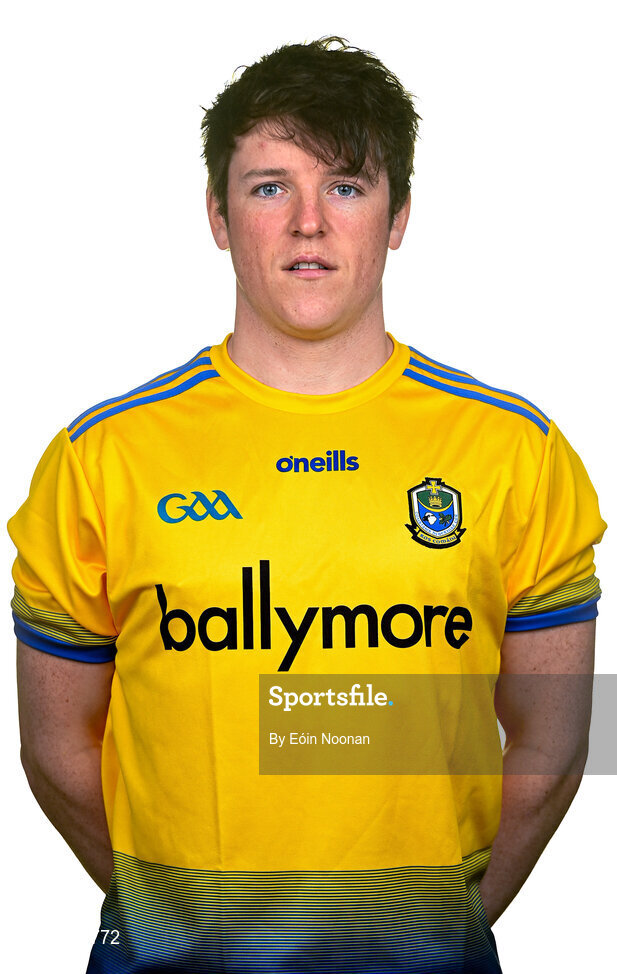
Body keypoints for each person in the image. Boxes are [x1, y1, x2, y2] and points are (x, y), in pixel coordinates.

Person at [9, 37, 606, 974]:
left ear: (398, 214)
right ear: (216, 214)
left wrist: (436, 925)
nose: (307, 226)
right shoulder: (101, 459)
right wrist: (172, 919)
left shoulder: (516, 454)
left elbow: (554, 743)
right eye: (268, 186)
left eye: (345, 185)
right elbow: (53, 747)